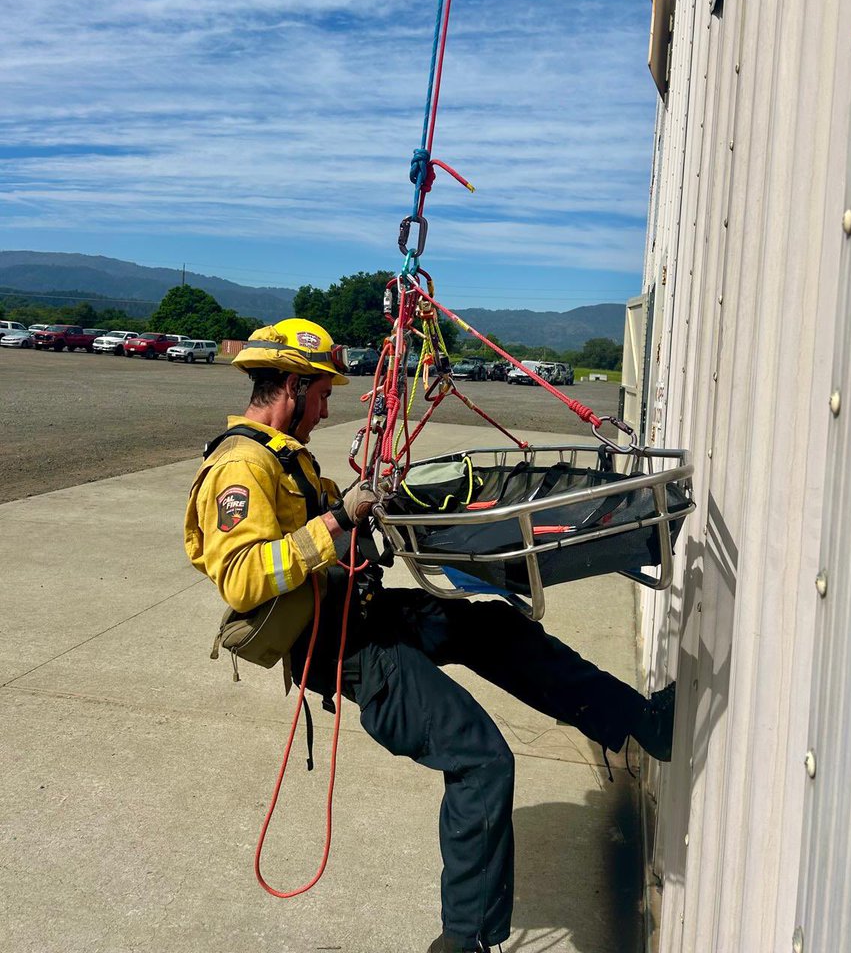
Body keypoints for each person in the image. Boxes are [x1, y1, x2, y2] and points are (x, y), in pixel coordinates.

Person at [185, 318, 676, 953]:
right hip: (345, 651)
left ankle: (637, 721)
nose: (329, 404)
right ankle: (463, 942)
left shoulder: (283, 455)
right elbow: (243, 577)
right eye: (323, 392)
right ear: (291, 386)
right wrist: (334, 521)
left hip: (364, 616)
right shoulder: (240, 468)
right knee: (480, 760)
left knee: (494, 626)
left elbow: (331, 538)